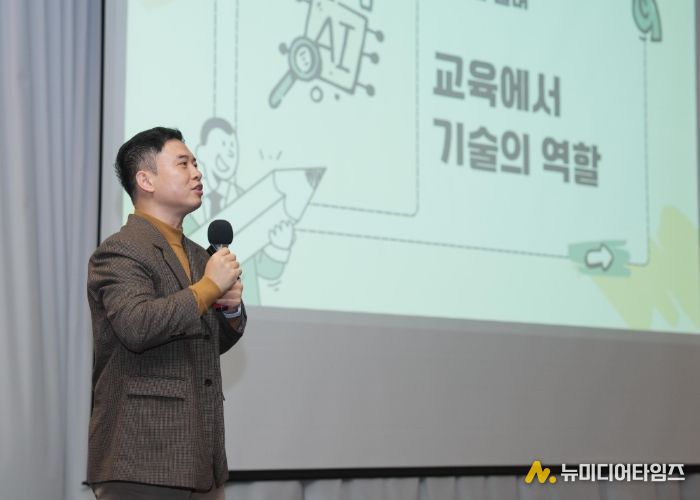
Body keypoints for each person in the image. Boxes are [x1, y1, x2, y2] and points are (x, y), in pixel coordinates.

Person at [86, 127, 246, 499]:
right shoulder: (121, 250)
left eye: (196, 164)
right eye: (183, 164)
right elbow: (137, 325)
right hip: (142, 457)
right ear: (146, 180)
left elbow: (205, 344)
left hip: (202, 459)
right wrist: (208, 288)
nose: (197, 173)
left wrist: (230, 309)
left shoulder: (199, 254)